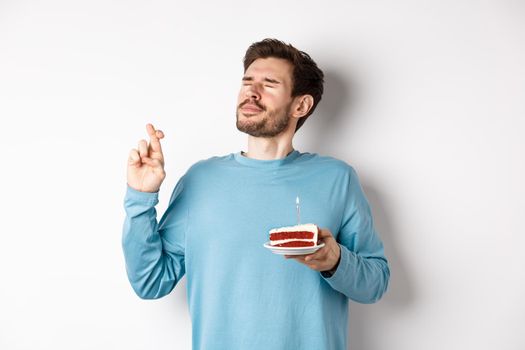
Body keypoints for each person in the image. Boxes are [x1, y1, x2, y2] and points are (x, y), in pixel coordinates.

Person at [122, 38, 389, 350]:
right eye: (247, 81)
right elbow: (150, 281)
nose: (251, 91)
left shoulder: (337, 179)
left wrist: (335, 260)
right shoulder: (201, 180)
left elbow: (376, 284)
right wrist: (141, 198)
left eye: (269, 83)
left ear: (300, 105)